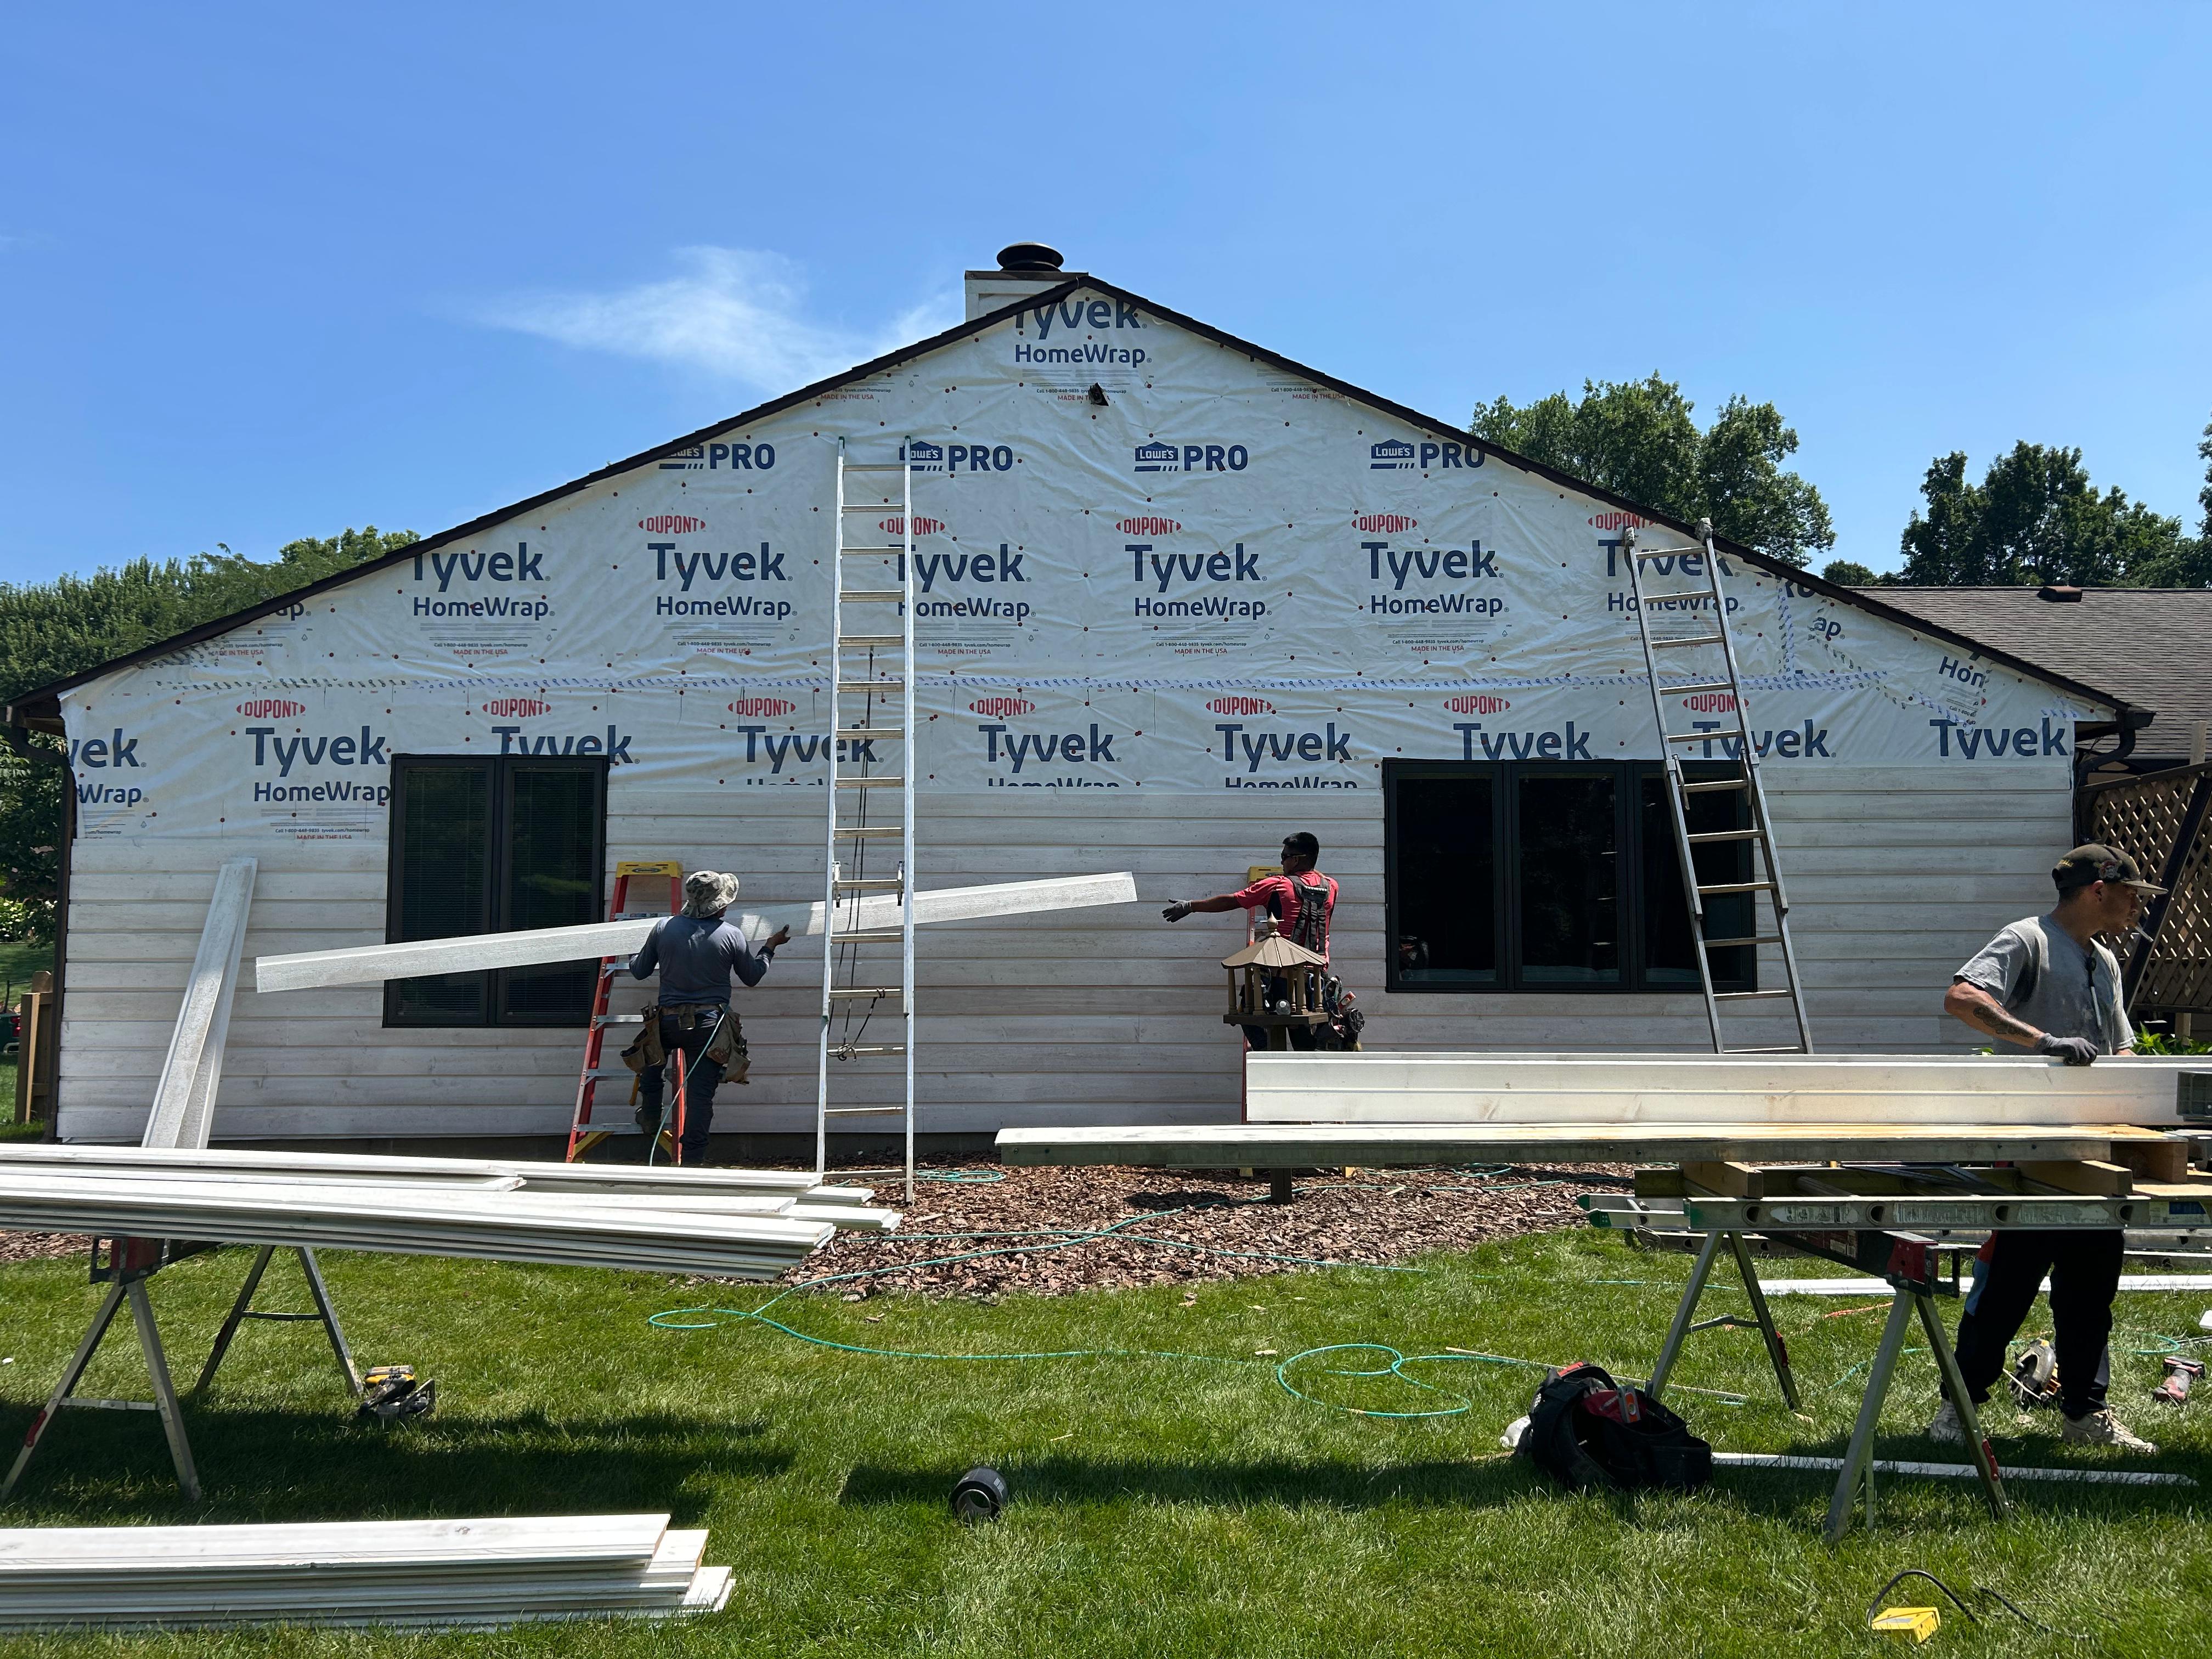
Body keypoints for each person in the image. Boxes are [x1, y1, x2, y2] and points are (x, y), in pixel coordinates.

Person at [1928, 843, 2163, 1453]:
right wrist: (2043, 1042)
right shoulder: (2027, 939)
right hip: (2031, 1159)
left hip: (2092, 1158)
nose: (2139, 905)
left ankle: (2086, 1414)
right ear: (2099, 888)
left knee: (2090, 1294)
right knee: (2006, 1288)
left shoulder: (2104, 961)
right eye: (2133, 892)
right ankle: (1958, 1409)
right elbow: (1963, 999)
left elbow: (2121, 1049)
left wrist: (2140, 1104)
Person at [625, 870, 790, 1163]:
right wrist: (769, 947)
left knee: (652, 1061)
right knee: (700, 1098)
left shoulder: (664, 928)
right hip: (708, 1026)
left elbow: (639, 971)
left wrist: (627, 948)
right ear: (722, 905)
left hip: (668, 1021)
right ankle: (692, 1162)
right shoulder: (731, 935)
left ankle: (650, 1115)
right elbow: (752, 977)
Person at [1163, 832, 1340, 1050]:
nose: (1281, 862)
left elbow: (1233, 901)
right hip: (1316, 979)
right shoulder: (1331, 887)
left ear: (1296, 859)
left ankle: (1265, 1058)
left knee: (1249, 1008)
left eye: (1284, 856)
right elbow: (1315, 893)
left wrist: (1190, 906)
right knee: (1305, 1043)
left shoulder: (1277, 885)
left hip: (1281, 977)